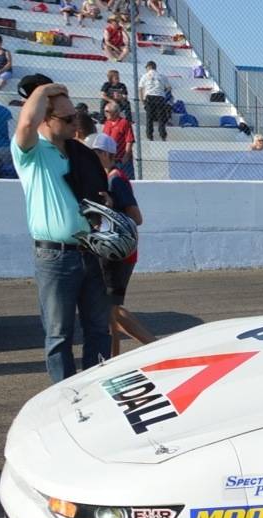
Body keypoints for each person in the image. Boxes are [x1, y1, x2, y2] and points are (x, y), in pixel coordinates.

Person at [12, 81, 111, 382]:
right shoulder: (32, 153)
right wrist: (43, 90)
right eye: (67, 119)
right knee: (59, 334)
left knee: (97, 329)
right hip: (55, 257)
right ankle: (64, 397)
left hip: (89, 251)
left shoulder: (78, 154)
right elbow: (27, 121)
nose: (75, 124)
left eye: (76, 118)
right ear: (46, 118)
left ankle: (95, 390)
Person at [87, 133, 154, 355]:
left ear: (108, 154)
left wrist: (108, 210)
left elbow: (137, 217)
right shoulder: (108, 178)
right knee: (112, 311)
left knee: (109, 312)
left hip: (118, 255)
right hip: (116, 253)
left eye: (96, 153)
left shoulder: (115, 179)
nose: (92, 158)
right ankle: (155, 347)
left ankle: (114, 359)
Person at [138, 61, 171, 141]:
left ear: (149, 67)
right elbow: (169, 88)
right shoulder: (162, 76)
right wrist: (162, 91)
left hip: (149, 97)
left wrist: (142, 99)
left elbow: (140, 88)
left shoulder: (145, 76)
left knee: (149, 117)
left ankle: (150, 136)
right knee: (161, 118)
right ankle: (163, 135)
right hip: (160, 97)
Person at [101, 101, 134, 177]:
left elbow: (129, 141)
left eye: (107, 111)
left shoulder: (124, 123)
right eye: (104, 111)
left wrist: (125, 157)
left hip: (121, 159)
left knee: (126, 179)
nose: (105, 113)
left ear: (115, 112)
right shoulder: (107, 123)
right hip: (110, 160)